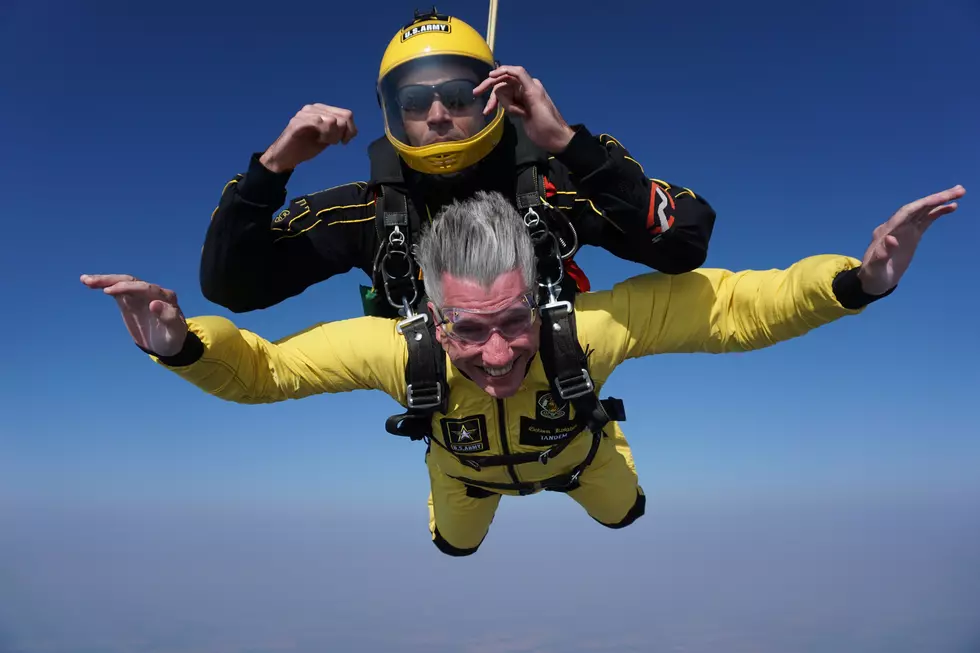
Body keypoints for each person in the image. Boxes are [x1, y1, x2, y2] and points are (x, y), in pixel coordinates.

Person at [81, 184, 966, 557]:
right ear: (430, 315)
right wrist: (183, 346)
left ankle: (603, 490)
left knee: (624, 510)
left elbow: (730, 307)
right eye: (469, 331)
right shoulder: (402, 350)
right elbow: (268, 369)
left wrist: (854, 282)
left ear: (535, 300)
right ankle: (477, 514)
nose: (500, 353)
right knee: (455, 545)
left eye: (512, 322)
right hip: (463, 472)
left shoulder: (584, 330)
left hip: (583, 459)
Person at [200, 8, 717, 318]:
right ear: (392, 113)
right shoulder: (372, 211)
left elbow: (682, 242)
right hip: (457, 446)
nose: (439, 115)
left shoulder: (554, 183)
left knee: (624, 504)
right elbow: (234, 286)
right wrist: (271, 169)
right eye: (415, 103)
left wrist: (566, 143)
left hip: (569, 420)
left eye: (458, 95)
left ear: (490, 98)